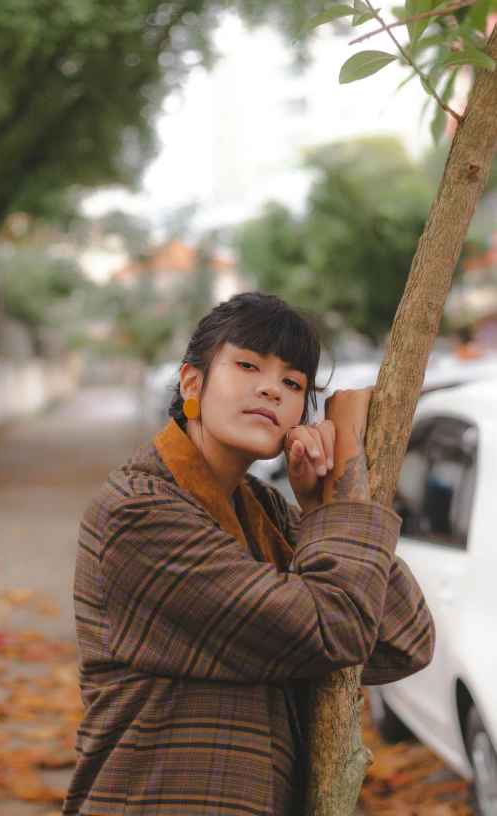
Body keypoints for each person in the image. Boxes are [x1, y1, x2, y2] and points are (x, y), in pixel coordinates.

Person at [62, 292, 435, 816]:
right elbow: (338, 626)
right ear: (193, 383)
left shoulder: (266, 510)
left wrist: (316, 507)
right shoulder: (137, 515)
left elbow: (403, 641)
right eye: (247, 365)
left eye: (292, 382)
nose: (270, 388)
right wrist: (349, 486)